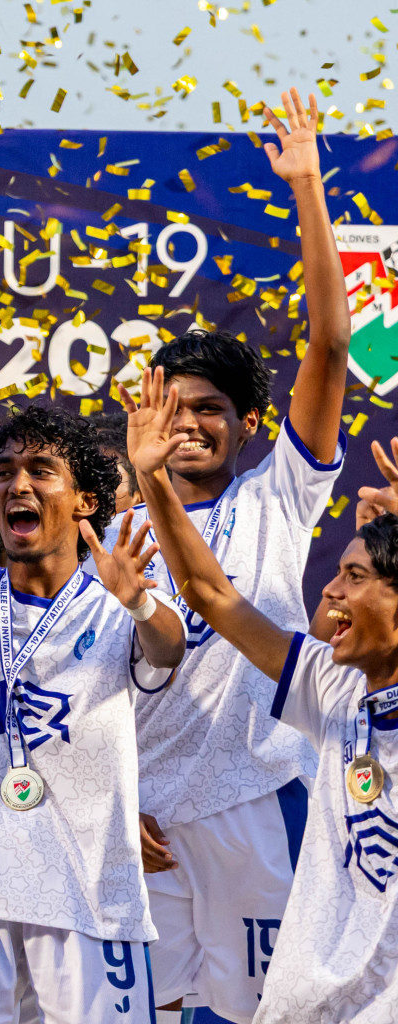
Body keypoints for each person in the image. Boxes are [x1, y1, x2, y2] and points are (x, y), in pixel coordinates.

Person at [97, 89, 349, 1024]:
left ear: (249, 425)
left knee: (273, 1015)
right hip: (146, 823)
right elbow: (90, 682)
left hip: (258, 802)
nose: (191, 424)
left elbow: (331, 343)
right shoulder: (110, 535)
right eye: (176, 406)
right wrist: (113, 798)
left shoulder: (278, 496)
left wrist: (307, 187)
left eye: (213, 410)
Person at [0, 296, 185, 1024]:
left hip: (87, 890)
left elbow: (167, 648)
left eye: (41, 470)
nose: (18, 484)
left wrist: (139, 602)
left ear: (83, 501)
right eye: (5, 471)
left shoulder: (119, 596)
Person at [122, 365, 398, 1023]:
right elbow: (211, 594)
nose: (329, 590)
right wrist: (151, 480)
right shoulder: (331, 688)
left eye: (355, 576)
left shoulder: (269, 501)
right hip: (312, 993)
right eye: (337, 572)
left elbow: (330, 347)